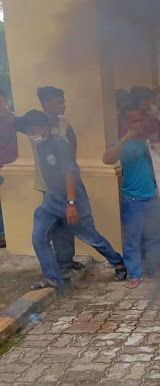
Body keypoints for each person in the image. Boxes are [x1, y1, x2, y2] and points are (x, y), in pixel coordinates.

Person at [15, 110, 125, 289]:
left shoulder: (60, 144)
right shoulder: (41, 144)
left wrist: (71, 204)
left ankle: (118, 263)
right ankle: (53, 278)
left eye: (32, 129)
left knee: (90, 237)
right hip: (52, 200)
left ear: (45, 128)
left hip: (73, 201)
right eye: (28, 130)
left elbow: (69, 174)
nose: (30, 134)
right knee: (38, 237)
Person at [103, 106, 160, 289]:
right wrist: (125, 138)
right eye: (134, 121)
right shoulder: (122, 143)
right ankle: (135, 274)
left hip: (152, 196)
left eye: (141, 120)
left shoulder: (148, 142)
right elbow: (107, 159)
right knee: (132, 239)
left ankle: (154, 269)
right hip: (133, 200)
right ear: (126, 124)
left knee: (154, 236)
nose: (139, 124)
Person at [35, 86, 83, 277]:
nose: (63, 104)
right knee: (52, 223)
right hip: (47, 184)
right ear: (46, 103)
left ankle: (66, 260)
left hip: (66, 183)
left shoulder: (65, 125)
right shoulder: (35, 124)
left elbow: (72, 150)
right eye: (59, 101)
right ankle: (55, 265)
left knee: (67, 221)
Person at [0, 89, 18, 248]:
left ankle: (5, 234)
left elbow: (16, 147)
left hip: (10, 169)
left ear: (5, 102)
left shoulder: (15, 121)